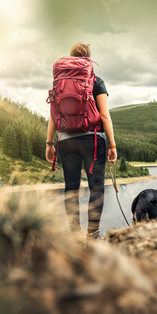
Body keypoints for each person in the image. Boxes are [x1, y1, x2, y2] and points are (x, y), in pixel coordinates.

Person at [46, 43, 117, 239]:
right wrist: (112, 145)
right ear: (88, 60)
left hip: (66, 142)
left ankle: (75, 236)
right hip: (93, 141)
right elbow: (104, 115)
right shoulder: (96, 82)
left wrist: (49, 143)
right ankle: (92, 235)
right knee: (96, 188)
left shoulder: (58, 83)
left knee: (71, 189)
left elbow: (53, 115)